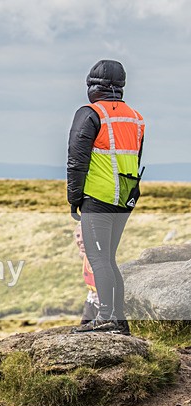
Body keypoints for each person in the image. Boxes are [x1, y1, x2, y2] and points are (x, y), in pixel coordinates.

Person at [67, 60, 144, 334]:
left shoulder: (90, 113)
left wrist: (74, 198)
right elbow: (136, 157)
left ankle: (106, 317)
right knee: (109, 259)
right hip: (125, 199)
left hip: (97, 197)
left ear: (93, 86)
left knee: (99, 260)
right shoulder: (135, 117)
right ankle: (119, 321)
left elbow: (77, 161)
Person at [74, 222, 99, 324]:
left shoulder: (99, 260)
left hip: (103, 307)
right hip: (91, 303)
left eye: (85, 235)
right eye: (78, 236)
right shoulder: (84, 257)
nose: (80, 240)